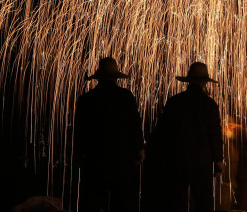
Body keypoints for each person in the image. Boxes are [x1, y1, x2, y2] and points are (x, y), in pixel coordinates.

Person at [72, 57, 145, 212]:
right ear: (116, 77)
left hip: (94, 159)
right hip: (121, 159)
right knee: (122, 202)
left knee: (93, 202)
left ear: (98, 77)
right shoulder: (126, 97)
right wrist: (140, 149)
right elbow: (135, 125)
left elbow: (79, 130)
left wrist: (78, 154)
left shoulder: (87, 99)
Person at [151, 61, 224, 212]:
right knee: (204, 203)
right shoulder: (209, 104)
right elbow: (215, 133)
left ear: (188, 81)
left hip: (176, 160)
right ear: (205, 82)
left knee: (176, 203)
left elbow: (162, 132)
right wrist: (218, 159)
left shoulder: (174, 102)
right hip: (201, 162)